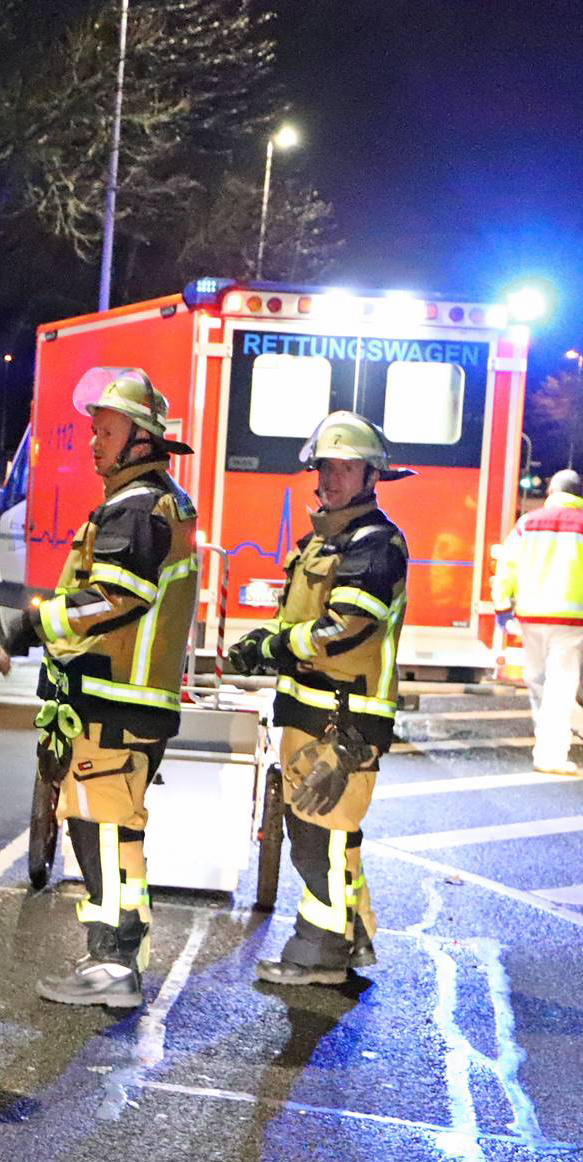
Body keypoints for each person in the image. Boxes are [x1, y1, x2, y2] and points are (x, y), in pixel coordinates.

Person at [0, 372, 199, 1009]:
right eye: (92, 430)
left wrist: (30, 624)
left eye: (106, 431)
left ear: (142, 439)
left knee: (99, 824)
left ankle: (111, 964)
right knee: (118, 829)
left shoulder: (136, 506)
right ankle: (121, 954)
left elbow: (115, 596)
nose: (93, 442)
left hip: (118, 699)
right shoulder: (156, 500)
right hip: (131, 699)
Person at [227, 412, 411, 985]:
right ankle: (349, 937)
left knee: (319, 834)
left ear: (371, 476)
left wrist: (276, 646)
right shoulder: (324, 540)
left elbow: (348, 626)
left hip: (345, 719)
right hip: (314, 714)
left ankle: (322, 949)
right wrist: (264, 644)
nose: (332, 477)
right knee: (331, 833)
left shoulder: (374, 543)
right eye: (326, 466)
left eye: (346, 467)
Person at [490, 469, 583, 775]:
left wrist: (501, 605)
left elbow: (508, 566)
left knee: (537, 680)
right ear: (580, 496)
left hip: (530, 615)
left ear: (552, 493)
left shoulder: (527, 524)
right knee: (561, 686)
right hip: (571, 620)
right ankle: (551, 753)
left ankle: (546, 741)